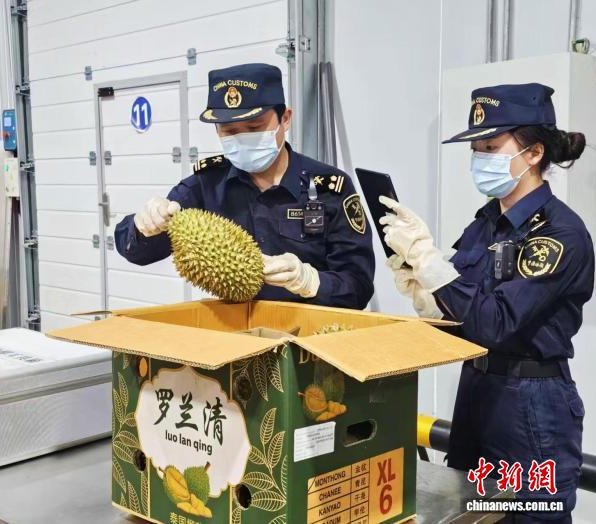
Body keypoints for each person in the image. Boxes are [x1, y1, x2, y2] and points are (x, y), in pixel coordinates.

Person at [380, 83, 592, 522]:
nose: (480, 158)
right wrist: (423, 290)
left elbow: (495, 322)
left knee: (528, 515)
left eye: (492, 147)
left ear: (534, 153)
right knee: (467, 509)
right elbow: (466, 312)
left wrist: (430, 261)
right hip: (477, 388)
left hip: (530, 402)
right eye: (476, 149)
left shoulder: (559, 234)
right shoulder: (486, 223)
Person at [115, 63, 375, 308]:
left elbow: (359, 286)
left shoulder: (330, 187)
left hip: (311, 333)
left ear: (285, 119)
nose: (241, 138)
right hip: (237, 331)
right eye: (229, 131)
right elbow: (137, 252)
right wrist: (142, 226)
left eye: (254, 127)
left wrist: (311, 282)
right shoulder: (206, 185)